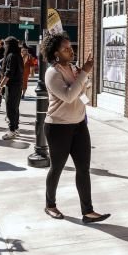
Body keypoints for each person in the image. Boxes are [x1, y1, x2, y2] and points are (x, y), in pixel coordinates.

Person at [41, 32, 110, 224]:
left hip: (79, 125)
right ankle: (50, 204)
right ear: (56, 53)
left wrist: (84, 81)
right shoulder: (52, 73)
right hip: (58, 127)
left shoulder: (73, 69)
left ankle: (88, 211)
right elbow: (68, 96)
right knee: (57, 168)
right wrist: (85, 73)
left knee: (83, 169)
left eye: (70, 46)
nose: (71, 50)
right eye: (66, 48)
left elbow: (81, 96)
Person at [0, 36, 23, 140]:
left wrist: (1, 85)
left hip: (12, 85)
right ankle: (15, 128)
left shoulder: (11, 56)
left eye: (6, 44)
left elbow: (8, 73)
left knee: (10, 108)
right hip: (18, 85)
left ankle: (12, 130)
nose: (5, 46)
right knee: (15, 107)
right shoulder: (18, 55)